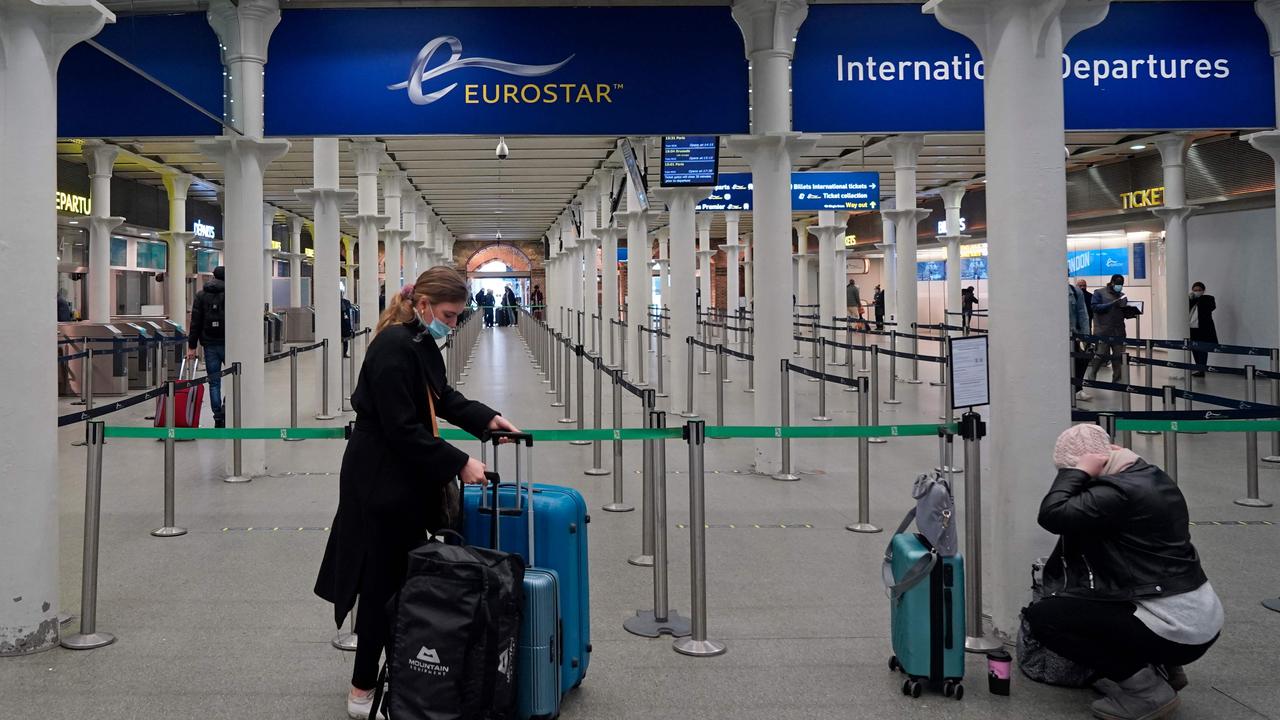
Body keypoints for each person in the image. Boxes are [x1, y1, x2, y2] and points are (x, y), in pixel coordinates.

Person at [314, 267, 522, 720]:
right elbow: (402, 428)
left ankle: (404, 673)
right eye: (448, 315)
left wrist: (487, 420)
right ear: (423, 304)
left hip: (403, 473)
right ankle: (362, 687)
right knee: (380, 583)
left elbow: (441, 396)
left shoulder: (419, 341)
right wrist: (458, 462)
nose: (452, 323)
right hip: (379, 479)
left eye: (457, 316)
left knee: (400, 578)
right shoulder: (392, 347)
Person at [1025, 424, 1222, 720]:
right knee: (1089, 606)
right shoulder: (1149, 475)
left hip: (1174, 627)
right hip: (1197, 616)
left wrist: (1074, 473)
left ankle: (1146, 692)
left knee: (1046, 618)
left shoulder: (1116, 493)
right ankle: (1162, 669)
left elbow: (1053, 514)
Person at [186, 266, 226, 427]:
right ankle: (228, 409)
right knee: (235, 378)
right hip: (229, 342)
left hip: (209, 344)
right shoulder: (231, 293)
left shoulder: (201, 295)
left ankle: (217, 417)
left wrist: (192, 346)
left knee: (214, 382)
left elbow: (195, 323)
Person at [1087, 274, 1131, 384]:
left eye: (1121, 284)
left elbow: (1123, 311)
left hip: (1119, 330)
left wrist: (1131, 312)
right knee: (1100, 354)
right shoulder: (1099, 293)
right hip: (1103, 330)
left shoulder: (1122, 295)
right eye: (1117, 284)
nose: (1119, 286)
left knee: (1118, 356)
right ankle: (1093, 373)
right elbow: (1095, 307)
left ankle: (1117, 380)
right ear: (1112, 282)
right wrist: (1111, 304)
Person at [1069, 277, 1093, 401]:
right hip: (1051, 338)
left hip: (1072, 335)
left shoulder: (1075, 292)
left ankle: (1078, 390)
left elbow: (1083, 314)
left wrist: (1086, 338)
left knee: (1080, 361)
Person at [1188, 282, 1218, 377]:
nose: (1197, 292)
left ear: (1203, 290)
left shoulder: (1208, 299)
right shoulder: (1190, 299)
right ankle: (1198, 368)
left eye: (1199, 290)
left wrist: (1198, 299)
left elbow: (1211, 307)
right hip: (1192, 329)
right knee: (1194, 349)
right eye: (1195, 290)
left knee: (1203, 349)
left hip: (1204, 329)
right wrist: (1191, 299)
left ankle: (1202, 369)